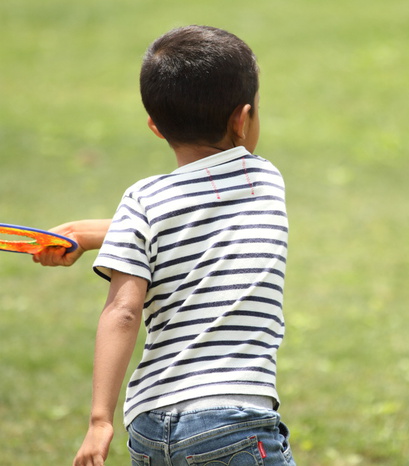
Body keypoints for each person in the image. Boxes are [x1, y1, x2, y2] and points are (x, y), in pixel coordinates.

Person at [34, 25, 295, 466]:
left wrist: (100, 420)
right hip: (233, 419)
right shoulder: (263, 179)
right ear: (243, 118)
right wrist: (100, 234)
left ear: (155, 127)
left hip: (151, 427)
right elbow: (197, 217)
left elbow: (123, 310)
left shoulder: (144, 200)